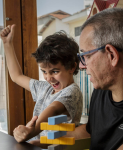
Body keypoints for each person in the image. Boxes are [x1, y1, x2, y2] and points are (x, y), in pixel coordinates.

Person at [23, 7, 123, 149]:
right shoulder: (101, 92)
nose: (82, 67)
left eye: (86, 56)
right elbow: (90, 131)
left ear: (111, 55)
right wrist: (45, 143)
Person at [0, 27, 83, 143]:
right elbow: (16, 76)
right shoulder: (44, 88)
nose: (48, 78)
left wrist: (31, 131)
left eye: (55, 71)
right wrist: (7, 43)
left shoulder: (72, 91)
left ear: (72, 67)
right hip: (40, 144)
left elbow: (53, 109)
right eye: (44, 71)